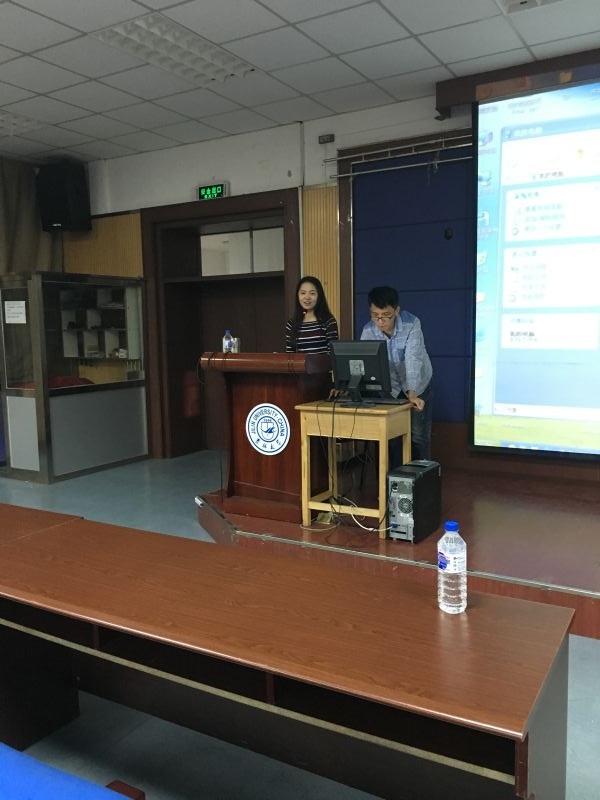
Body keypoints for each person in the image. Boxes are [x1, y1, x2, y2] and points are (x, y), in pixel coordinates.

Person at [360, 286, 433, 463]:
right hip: (390, 387)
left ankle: (421, 475)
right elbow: (365, 363)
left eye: (386, 315)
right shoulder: (368, 331)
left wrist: (412, 393)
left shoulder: (411, 324)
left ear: (397, 310)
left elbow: (413, 358)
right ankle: (394, 477)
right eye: (375, 315)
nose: (380, 321)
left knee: (418, 435)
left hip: (418, 383)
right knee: (391, 436)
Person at [285, 276, 338, 354]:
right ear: (297, 295)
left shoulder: (328, 321)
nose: (307, 297)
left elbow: (333, 354)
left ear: (319, 296)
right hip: (300, 363)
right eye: (303, 293)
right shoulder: (291, 324)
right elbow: (290, 355)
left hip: (323, 362)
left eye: (312, 293)